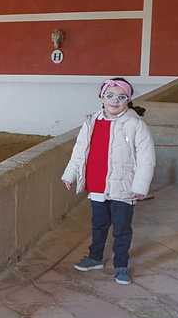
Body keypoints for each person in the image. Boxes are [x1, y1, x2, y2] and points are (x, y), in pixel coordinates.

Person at [62, 77, 155, 285]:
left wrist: (140, 187)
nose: (114, 101)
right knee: (98, 224)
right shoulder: (91, 122)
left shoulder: (136, 125)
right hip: (97, 185)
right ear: (102, 97)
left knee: (121, 228)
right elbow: (79, 150)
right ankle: (95, 258)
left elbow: (147, 159)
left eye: (121, 97)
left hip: (123, 187)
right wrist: (70, 174)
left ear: (128, 100)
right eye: (110, 96)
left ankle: (121, 265)